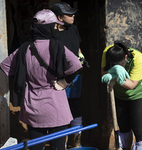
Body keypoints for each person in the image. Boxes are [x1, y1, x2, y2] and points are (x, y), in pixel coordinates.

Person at [0, 9, 82, 150]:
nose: (56, 29)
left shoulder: (24, 49)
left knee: (36, 148)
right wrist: (65, 81)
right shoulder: (58, 46)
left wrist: (24, 78)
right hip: (57, 107)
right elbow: (76, 65)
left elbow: (5, 66)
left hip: (33, 108)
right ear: (48, 28)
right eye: (55, 26)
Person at [101, 40, 142, 150]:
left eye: (118, 64)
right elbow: (104, 72)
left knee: (139, 131)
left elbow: (131, 85)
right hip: (119, 95)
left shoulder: (138, 58)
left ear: (126, 57)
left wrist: (115, 76)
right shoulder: (108, 52)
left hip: (139, 94)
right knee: (123, 128)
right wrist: (112, 71)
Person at [50, 2, 85, 148]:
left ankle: (76, 143)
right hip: (58, 78)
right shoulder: (51, 33)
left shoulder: (74, 29)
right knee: (59, 110)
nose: (73, 16)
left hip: (75, 75)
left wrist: (80, 56)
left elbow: (77, 47)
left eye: (73, 13)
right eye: (69, 14)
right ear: (59, 17)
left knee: (75, 106)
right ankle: (60, 144)